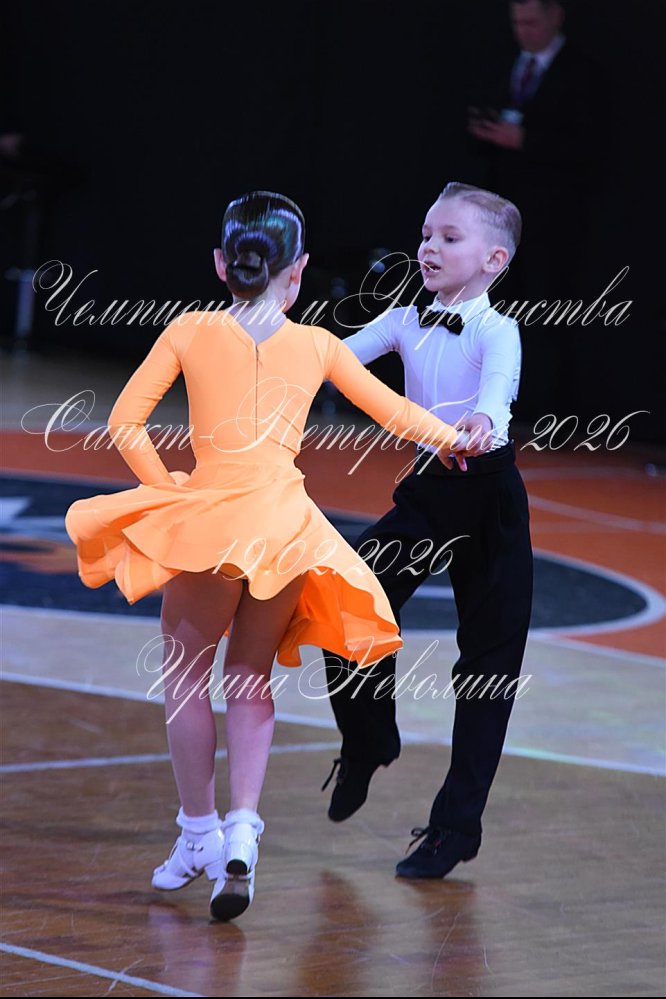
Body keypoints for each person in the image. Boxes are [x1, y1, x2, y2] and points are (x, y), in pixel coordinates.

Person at [64, 190, 478, 922]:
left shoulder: (189, 329)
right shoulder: (318, 344)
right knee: (250, 676)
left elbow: (126, 423)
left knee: (186, 678)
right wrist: (455, 439)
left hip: (213, 526)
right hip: (285, 531)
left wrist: (168, 494)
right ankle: (243, 830)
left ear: (221, 263)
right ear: (300, 269)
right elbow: (394, 413)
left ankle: (198, 831)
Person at [321, 181, 534, 879]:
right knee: (344, 602)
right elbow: (332, 361)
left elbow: (495, 391)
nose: (429, 247)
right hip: (432, 492)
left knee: (488, 670)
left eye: (449, 237)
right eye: (425, 235)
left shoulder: (498, 331)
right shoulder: (404, 319)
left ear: (494, 260)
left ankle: (455, 828)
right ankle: (368, 738)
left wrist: (482, 419)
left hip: (490, 496)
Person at [466, 0, 607, 414]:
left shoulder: (583, 74)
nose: (524, 31)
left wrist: (526, 141)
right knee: (499, 306)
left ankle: (547, 411)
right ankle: (495, 403)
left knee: (547, 311)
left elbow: (592, 147)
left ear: (555, 16)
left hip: (554, 219)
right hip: (502, 217)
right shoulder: (502, 63)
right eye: (517, 23)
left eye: (532, 22)